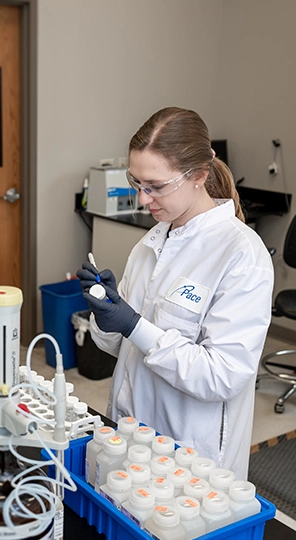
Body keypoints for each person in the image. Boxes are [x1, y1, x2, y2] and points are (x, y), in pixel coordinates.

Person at [77, 107, 274, 479]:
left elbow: (222, 376)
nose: (142, 199)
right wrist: (106, 318)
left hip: (190, 458)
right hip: (130, 433)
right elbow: (121, 350)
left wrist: (136, 326)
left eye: (155, 186)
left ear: (199, 174)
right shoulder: (150, 244)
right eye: (136, 183)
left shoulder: (241, 256)